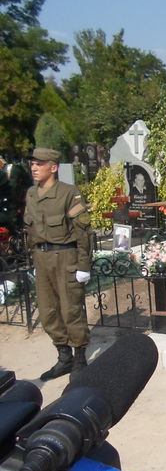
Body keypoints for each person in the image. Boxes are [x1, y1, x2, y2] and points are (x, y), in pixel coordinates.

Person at [23, 148, 92, 381]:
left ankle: (80, 357)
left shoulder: (68, 193)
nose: (34, 168)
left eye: (40, 164)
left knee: (71, 308)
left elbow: (82, 231)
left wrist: (84, 265)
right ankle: (64, 357)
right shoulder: (32, 194)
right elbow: (29, 230)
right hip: (42, 258)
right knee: (47, 311)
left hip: (65, 257)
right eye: (33, 164)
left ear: (53, 167)